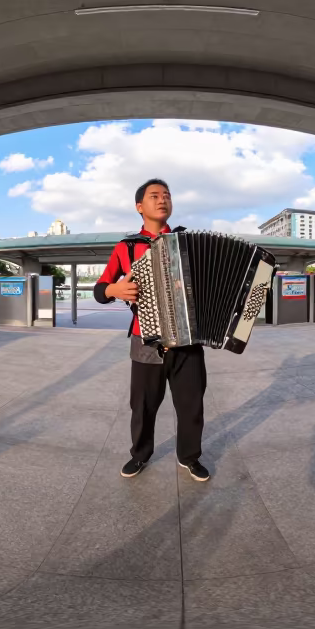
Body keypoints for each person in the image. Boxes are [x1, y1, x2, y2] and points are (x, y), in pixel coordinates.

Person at [95, 178, 210, 482]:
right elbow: (100, 289)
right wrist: (115, 289)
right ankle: (140, 455)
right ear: (139, 207)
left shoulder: (189, 242)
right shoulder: (127, 246)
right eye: (155, 195)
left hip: (188, 338)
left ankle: (189, 457)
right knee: (143, 406)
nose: (163, 200)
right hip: (145, 338)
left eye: (167, 195)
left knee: (191, 404)